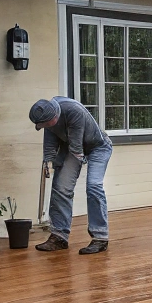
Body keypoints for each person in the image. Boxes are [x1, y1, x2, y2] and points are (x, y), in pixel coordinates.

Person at [28, 96, 112, 254]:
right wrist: (48, 162)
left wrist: (73, 161)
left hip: (98, 147)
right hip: (72, 147)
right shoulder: (47, 116)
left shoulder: (73, 110)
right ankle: (59, 236)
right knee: (61, 188)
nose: (46, 127)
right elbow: (50, 142)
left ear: (55, 115)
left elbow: (76, 146)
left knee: (93, 186)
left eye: (47, 124)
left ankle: (100, 237)